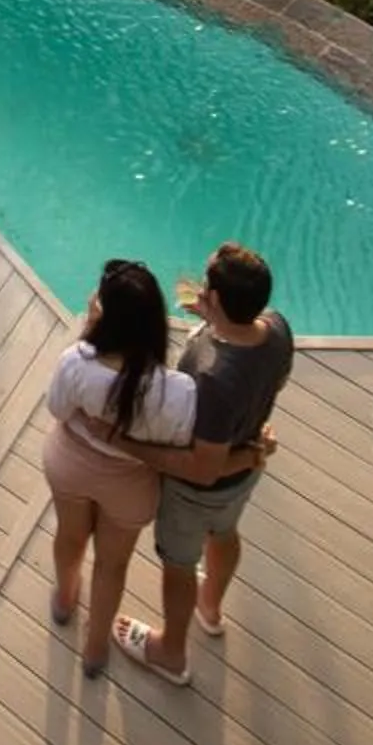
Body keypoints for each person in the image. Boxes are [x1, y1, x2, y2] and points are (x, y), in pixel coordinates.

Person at [43, 259, 269, 681]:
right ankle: (95, 651)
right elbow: (183, 444)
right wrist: (252, 454)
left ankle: (64, 598)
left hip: (70, 464)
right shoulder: (177, 391)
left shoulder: (76, 361)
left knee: (69, 536)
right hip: (130, 485)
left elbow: (57, 409)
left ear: (105, 316)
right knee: (112, 565)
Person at [114, 240, 292, 688]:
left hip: (198, 491)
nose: (199, 285)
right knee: (226, 533)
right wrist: (253, 447)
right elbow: (277, 379)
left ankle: (169, 652)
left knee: (178, 563)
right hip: (244, 478)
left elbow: (203, 467)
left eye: (206, 282)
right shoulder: (276, 328)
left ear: (215, 297)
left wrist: (132, 448)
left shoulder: (211, 375)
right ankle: (209, 609)